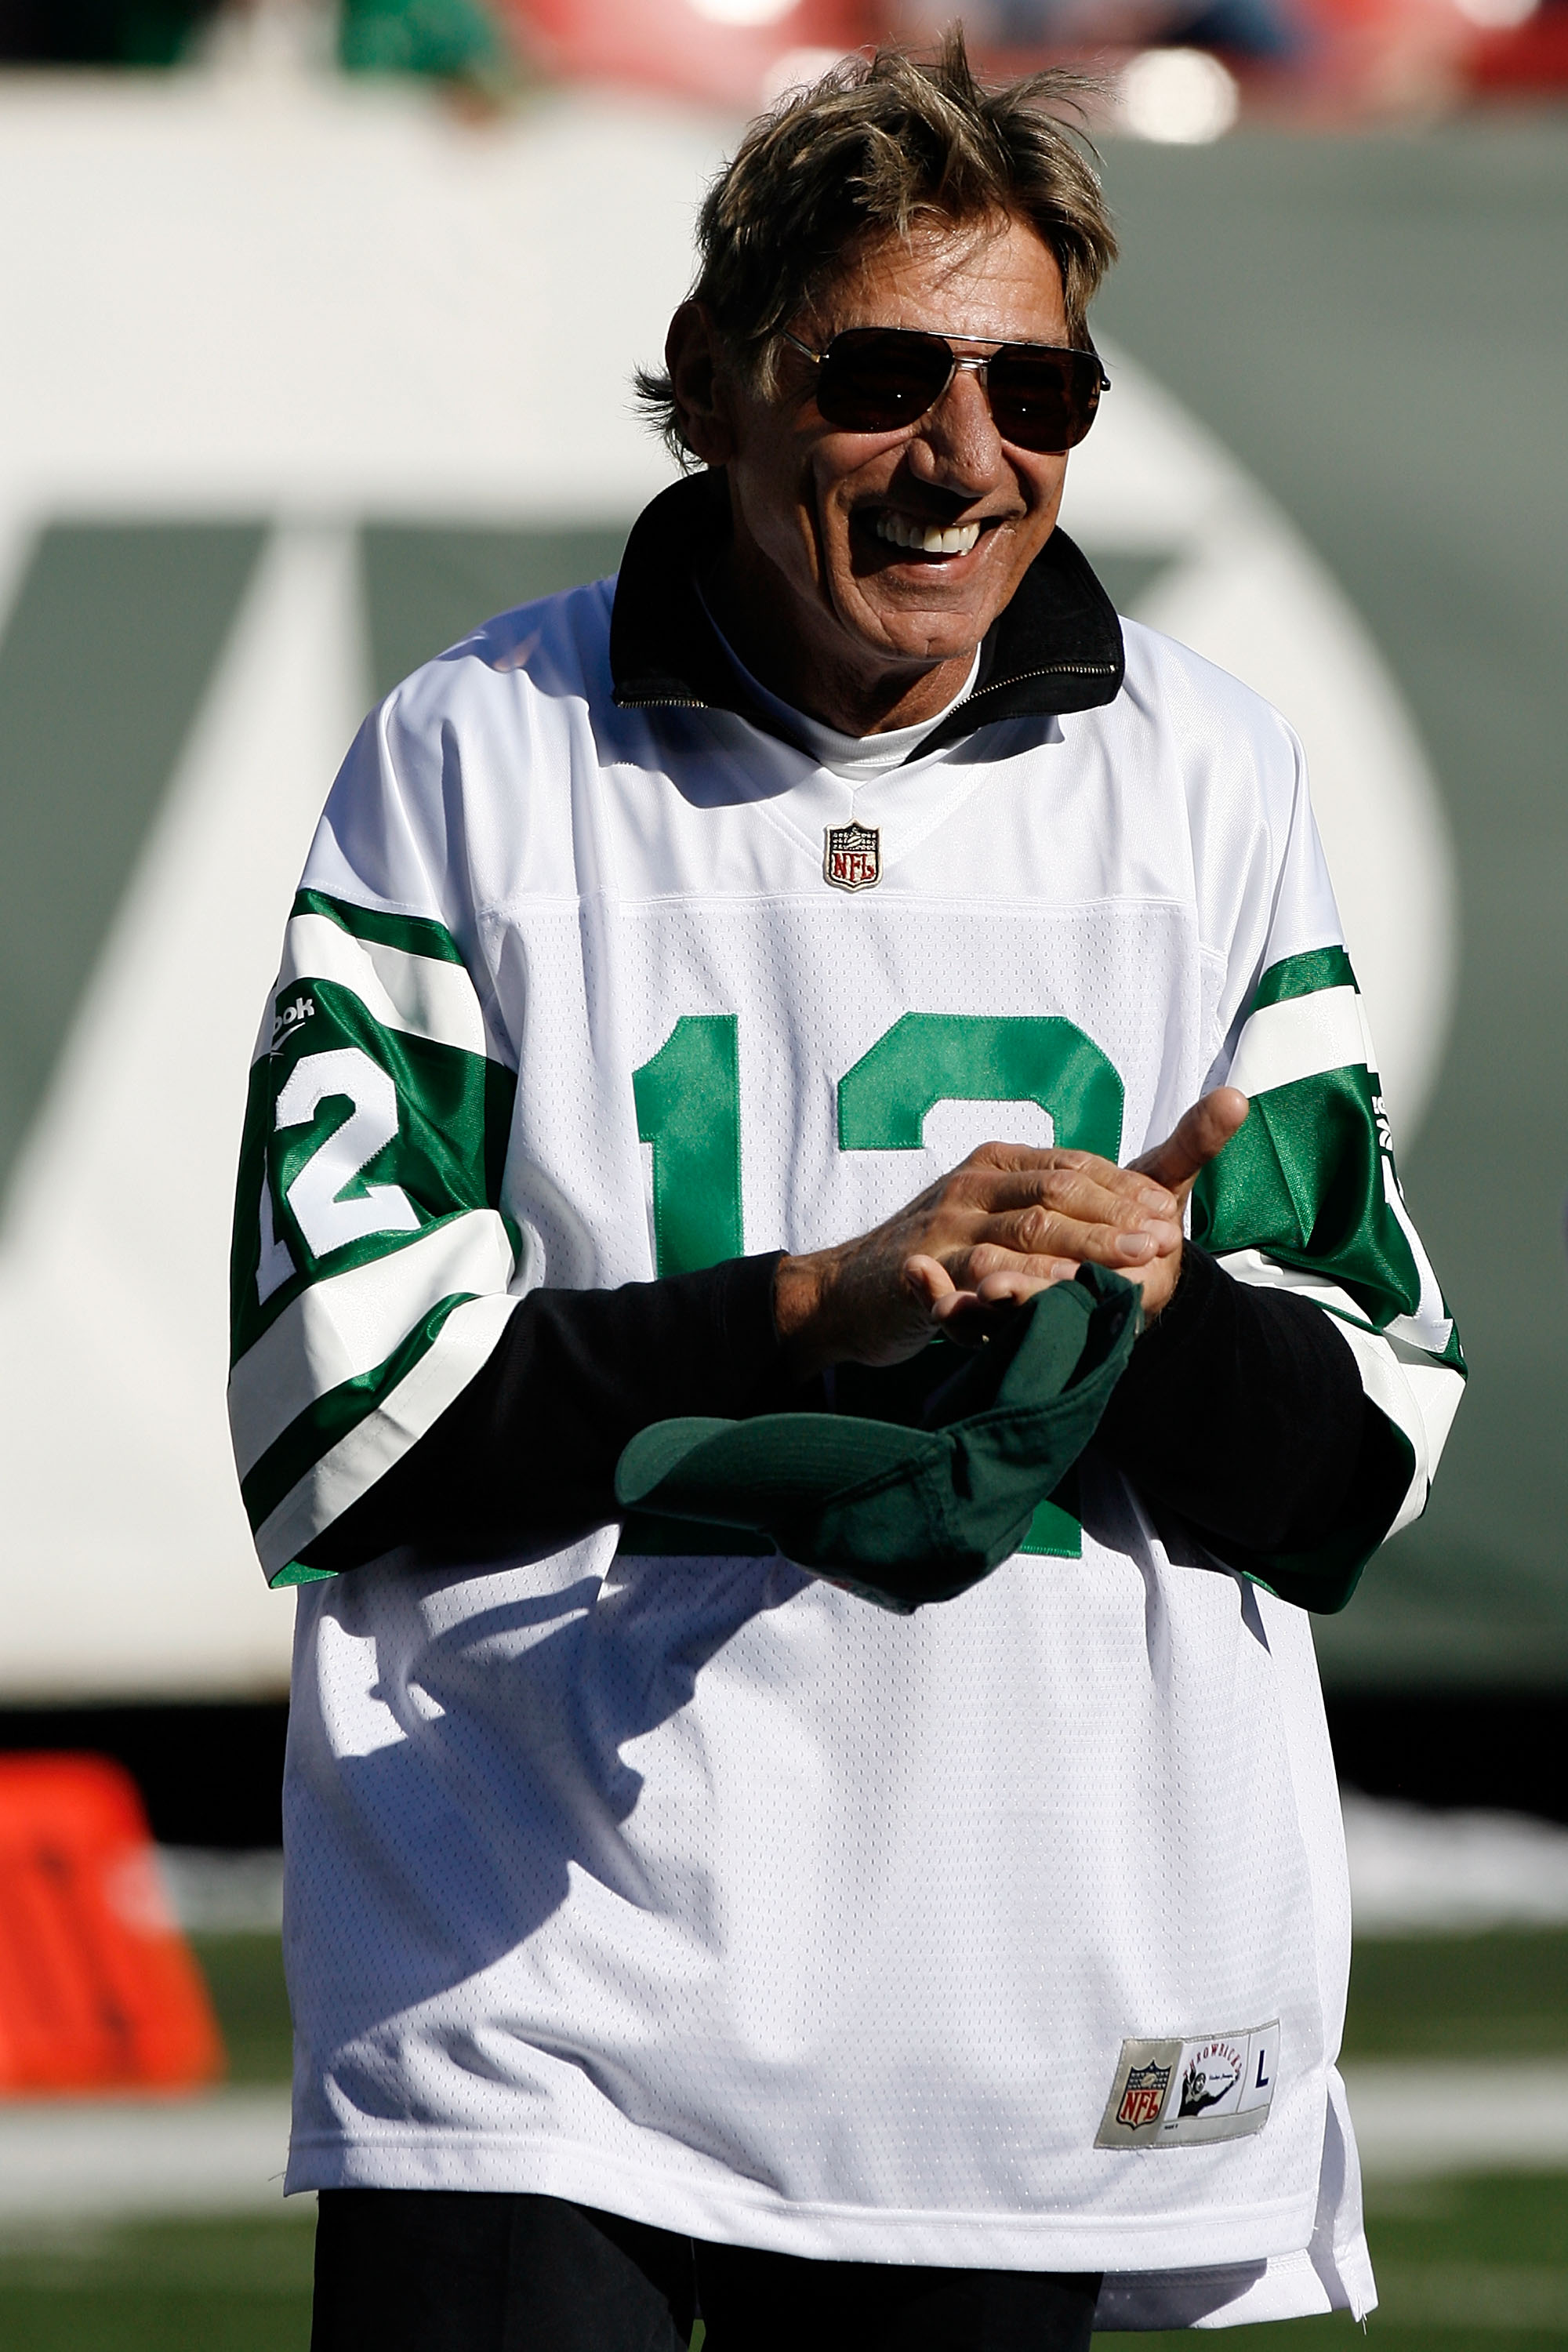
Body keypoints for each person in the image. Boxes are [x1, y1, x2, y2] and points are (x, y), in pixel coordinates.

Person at [227, 37, 1463, 2350]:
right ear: (716, 381)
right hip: (534, 1964)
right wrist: (816, 1307)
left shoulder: (1203, 776)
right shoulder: (481, 756)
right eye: (887, 373)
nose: (970, 458)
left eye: (1042, 393)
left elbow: (1356, 1464)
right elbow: (334, 1416)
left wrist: (1167, 1312)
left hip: (1012, 1994)